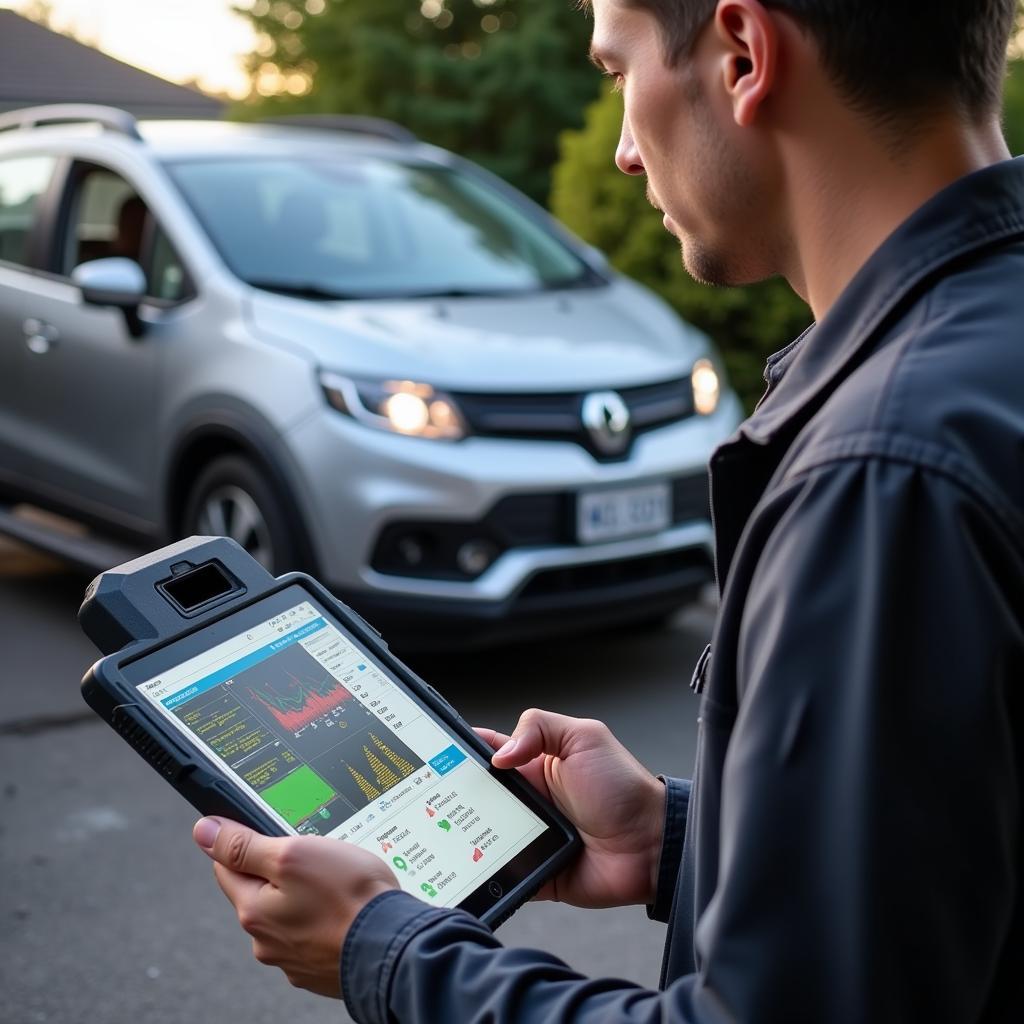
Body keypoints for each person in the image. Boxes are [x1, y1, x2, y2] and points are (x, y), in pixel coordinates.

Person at [191, 0, 1024, 1019]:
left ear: (740, 54)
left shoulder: (880, 469)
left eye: (616, 70)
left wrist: (392, 954)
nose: (626, 151)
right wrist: (678, 838)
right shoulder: (982, 356)